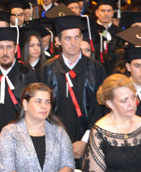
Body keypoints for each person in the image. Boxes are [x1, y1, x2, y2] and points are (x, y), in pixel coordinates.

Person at [38, 15, 107, 164]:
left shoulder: (96, 69)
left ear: (81, 37)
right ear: (58, 40)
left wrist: (85, 141)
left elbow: (100, 108)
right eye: (68, 38)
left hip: (89, 144)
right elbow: (41, 108)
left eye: (77, 37)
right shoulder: (47, 69)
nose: (73, 43)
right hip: (54, 143)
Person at [0, 26, 39, 159]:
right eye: (0, 47)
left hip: (23, 147)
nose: (5, 52)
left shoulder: (29, 75)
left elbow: (35, 114)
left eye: (9, 47)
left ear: (16, 48)